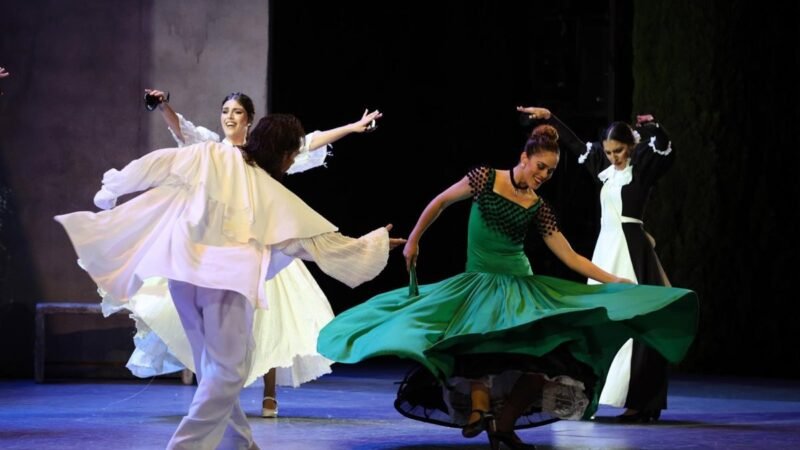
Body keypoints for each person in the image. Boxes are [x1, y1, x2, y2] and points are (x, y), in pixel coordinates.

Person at [317, 125, 698, 449]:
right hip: (478, 283)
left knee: (542, 359)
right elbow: (440, 202)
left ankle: (504, 424)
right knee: (477, 347)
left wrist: (615, 280)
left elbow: (570, 257)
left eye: (550, 171)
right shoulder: (486, 178)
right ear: (524, 157)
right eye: (540, 167)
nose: (544, 175)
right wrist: (415, 239)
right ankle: (481, 409)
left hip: (519, 286)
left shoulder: (538, 207)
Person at [55, 113, 406, 450]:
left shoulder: (209, 154)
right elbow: (308, 241)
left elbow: (157, 163)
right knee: (226, 373)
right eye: (292, 155)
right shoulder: (269, 189)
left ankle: (237, 442)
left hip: (183, 275)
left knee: (213, 369)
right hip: (224, 282)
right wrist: (370, 245)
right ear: (284, 154)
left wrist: (113, 187)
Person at [126, 89, 382, 419]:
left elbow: (308, 144)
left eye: (237, 113)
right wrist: (163, 106)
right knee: (216, 331)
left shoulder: (263, 158)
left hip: (264, 248)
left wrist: (350, 127)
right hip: (220, 252)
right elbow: (182, 130)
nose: (229, 117)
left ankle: (265, 395)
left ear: (249, 120)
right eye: (225, 111)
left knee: (271, 320)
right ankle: (213, 397)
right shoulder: (213, 151)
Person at [517, 106, 677, 423]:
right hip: (606, 251)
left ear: (630, 147)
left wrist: (656, 127)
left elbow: (664, 148)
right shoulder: (605, 168)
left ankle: (643, 402)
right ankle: (587, 399)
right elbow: (575, 144)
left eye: (618, 151)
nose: (613, 157)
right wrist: (550, 118)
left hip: (631, 251)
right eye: (608, 151)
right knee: (598, 324)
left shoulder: (642, 167)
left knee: (638, 323)